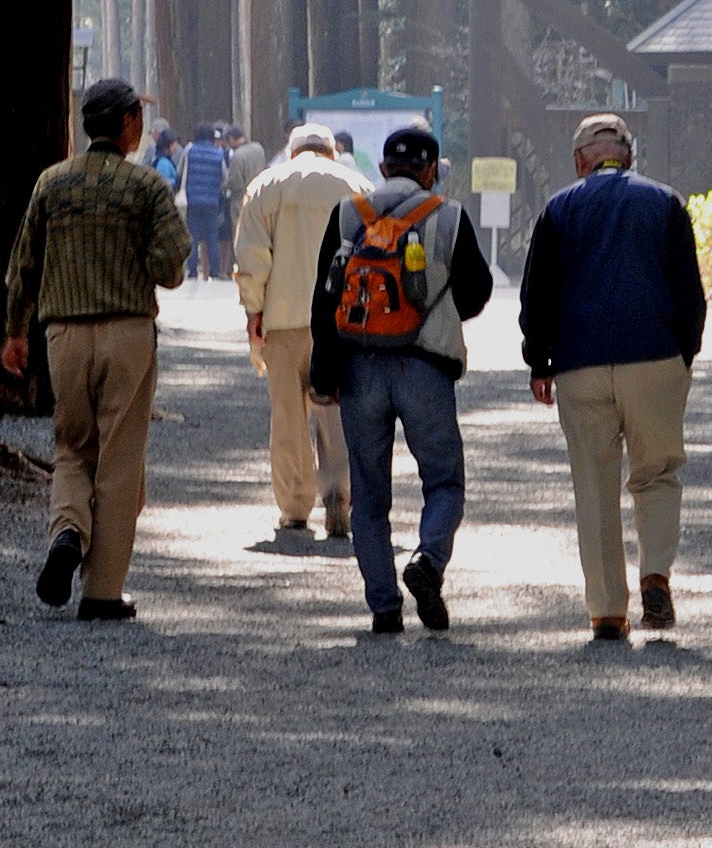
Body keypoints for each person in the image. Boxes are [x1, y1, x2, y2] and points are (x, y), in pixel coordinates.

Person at [1, 74, 190, 623]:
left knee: (72, 447)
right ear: (130, 124)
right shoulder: (146, 188)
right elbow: (170, 268)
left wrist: (15, 332)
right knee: (120, 458)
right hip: (128, 333)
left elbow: (23, 265)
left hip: (63, 336)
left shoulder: (50, 184)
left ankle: (67, 531)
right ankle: (103, 591)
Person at [516, 109, 706, 639]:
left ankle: (605, 610)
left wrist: (540, 361)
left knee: (594, 488)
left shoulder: (558, 209)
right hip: (655, 360)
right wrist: (684, 354)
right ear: (630, 155)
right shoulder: (665, 202)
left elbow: (537, 296)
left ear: (580, 161)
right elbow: (690, 291)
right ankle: (655, 574)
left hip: (581, 366)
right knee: (658, 473)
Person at [308, 121, 493, 635]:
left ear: (384, 168)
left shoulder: (348, 214)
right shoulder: (449, 217)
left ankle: (384, 607)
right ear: (432, 170)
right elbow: (477, 292)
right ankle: (428, 560)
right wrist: (430, 312)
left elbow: (324, 302)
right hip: (425, 368)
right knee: (443, 480)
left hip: (358, 369)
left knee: (368, 493)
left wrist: (323, 375)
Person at [233, 120, 369, 540]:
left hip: (283, 316)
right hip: (342, 321)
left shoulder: (266, 185)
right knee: (340, 412)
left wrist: (254, 309)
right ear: (330, 151)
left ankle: (294, 506)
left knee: (288, 414)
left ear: (292, 152)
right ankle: (340, 495)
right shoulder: (356, 184)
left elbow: (252, 256)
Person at [179, 124, 233, 279]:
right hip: (212, 201)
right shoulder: (218, 154)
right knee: (212, 236)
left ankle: (193, 271)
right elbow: (225, 177)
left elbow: (180, 171)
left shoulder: (189, 151)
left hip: (192, 200)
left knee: (193, 236)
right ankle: (215, 272)